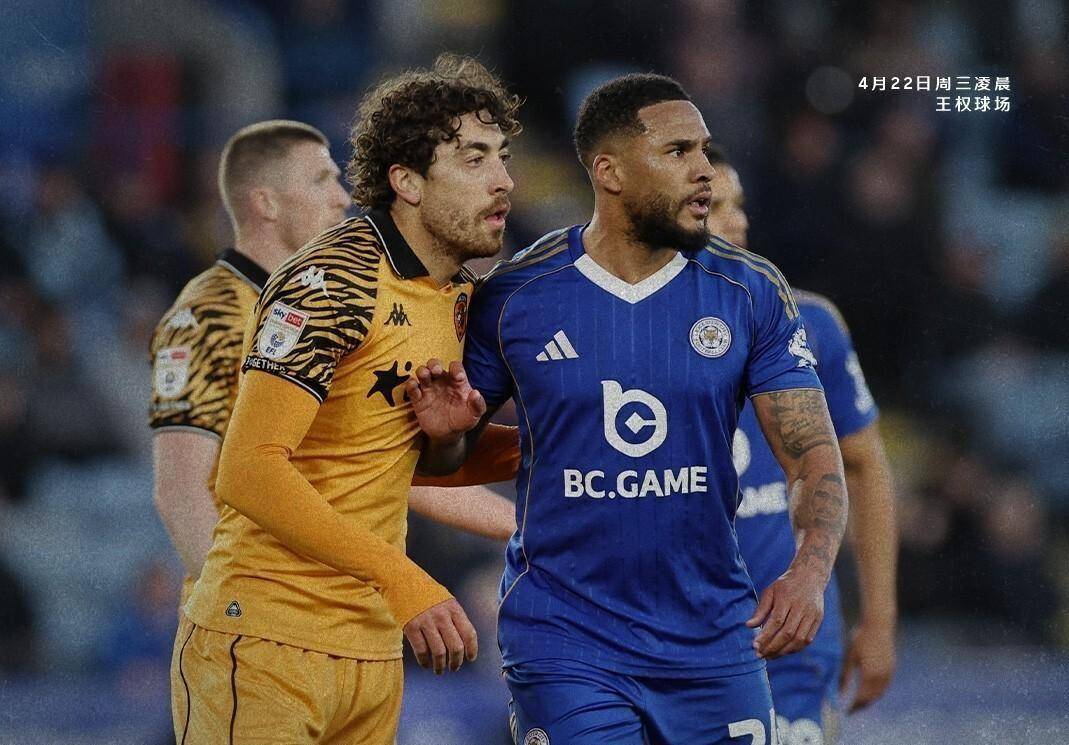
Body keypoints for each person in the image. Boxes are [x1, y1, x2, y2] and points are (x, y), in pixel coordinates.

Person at [410, 73, 848, 744]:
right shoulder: (515, 297)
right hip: (567, 642)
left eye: (703, 150)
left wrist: (808, 573)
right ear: (608, 171)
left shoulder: (749, 290)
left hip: (713, 638)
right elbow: (442, 462)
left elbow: (813, 454)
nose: (704, 170)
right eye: (677, 151)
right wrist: (444, 438)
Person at [170, 56, 521, 744]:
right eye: (474, 158)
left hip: (370, 652)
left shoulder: (458, 294)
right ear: (407, 181)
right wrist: (403, 579)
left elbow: (391, 462)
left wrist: (465, 439)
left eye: (502, 157)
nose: (503, 179)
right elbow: (249, 469)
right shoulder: (333, 280)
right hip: (267, 641)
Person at [149, 120, 517, 614]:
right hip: (266, 607)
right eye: (321, 179)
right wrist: (238, 603)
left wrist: (526, 527)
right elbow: (180, 487)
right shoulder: (209, 315)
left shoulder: (342, 301)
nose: (341, 198)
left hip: (346, 604)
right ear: (266, 204)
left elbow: (390, 464)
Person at [707, 149, 897, 743]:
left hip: (794, 642)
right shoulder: (632, 334)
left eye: (739, 204)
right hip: (684, 646)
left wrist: (879, 619)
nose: (737, 222)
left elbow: (865, 467)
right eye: (714, 207)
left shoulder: (809, 326)